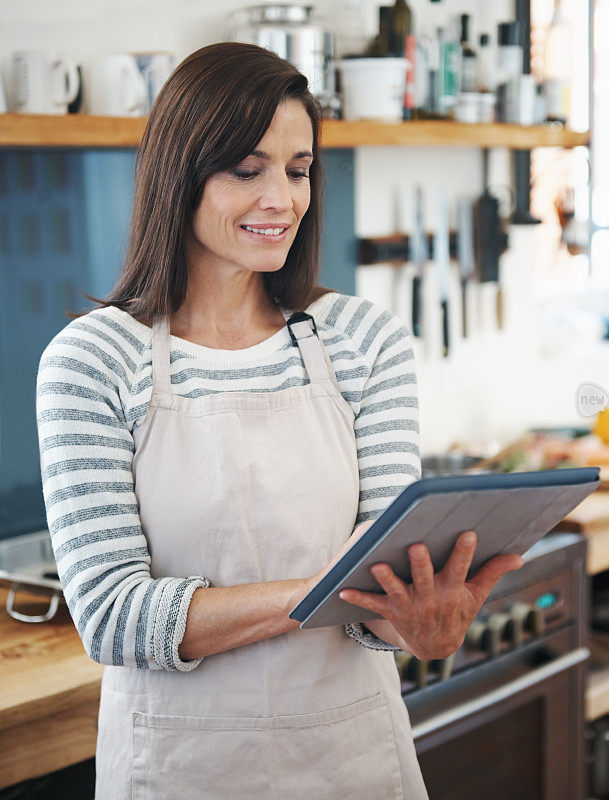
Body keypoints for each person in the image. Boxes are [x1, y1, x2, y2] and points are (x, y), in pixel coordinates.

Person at [35, 42, 524, 799]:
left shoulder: (364, 342)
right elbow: (112, 619)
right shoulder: (93, 360)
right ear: (180, 173)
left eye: (298, 171)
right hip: (178, 773)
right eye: (246, 169)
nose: (282, 199)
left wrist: (420, 621)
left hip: (351, 762)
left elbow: (386, 592)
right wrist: (340, 586)